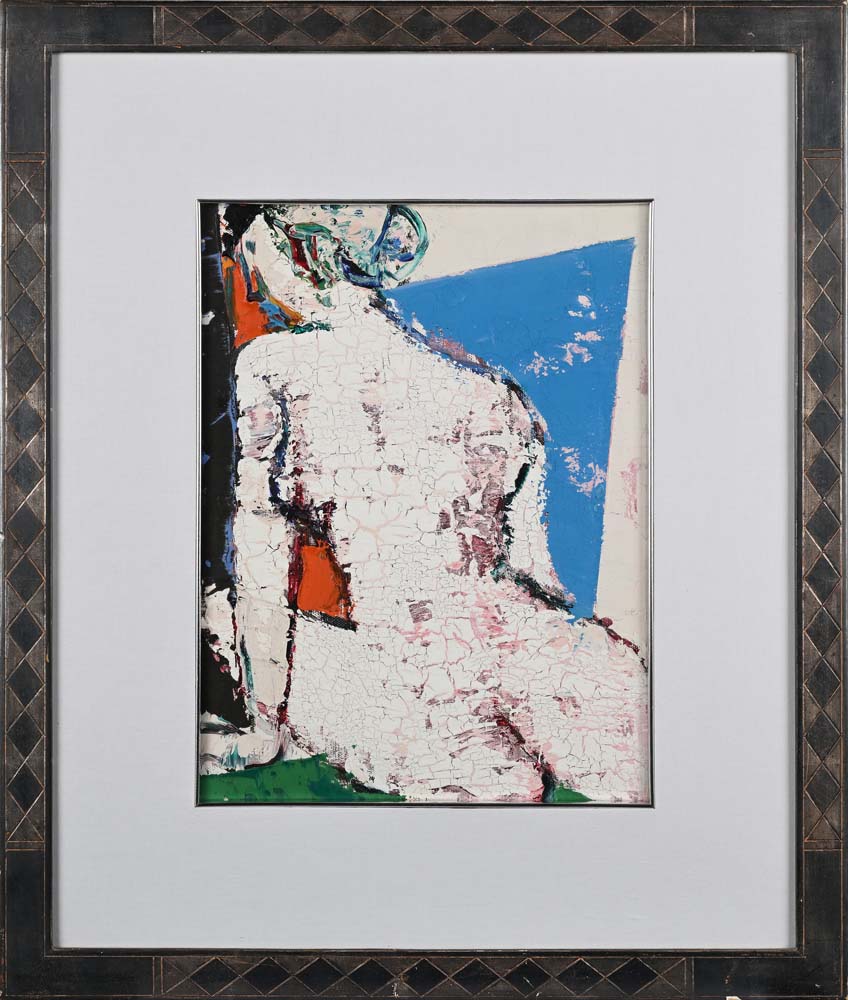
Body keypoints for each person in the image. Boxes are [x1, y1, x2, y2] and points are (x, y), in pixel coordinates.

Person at [200, 203, 648, 803]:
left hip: (410, 680)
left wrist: (264, 725)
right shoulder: (494, 396)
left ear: (302, 253)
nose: (252, 278)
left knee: (218, 612)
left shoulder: (270, 366)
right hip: (535, 648)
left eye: (253, 253)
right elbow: (538, 579)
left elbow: (262, 572)